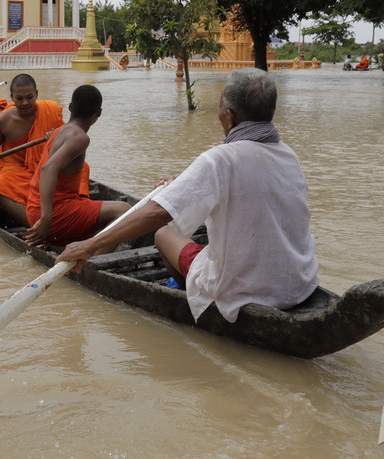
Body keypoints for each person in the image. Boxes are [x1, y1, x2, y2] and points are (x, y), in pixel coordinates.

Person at [57, 68, 320, 323]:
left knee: (162, 233)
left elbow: (158, 213)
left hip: (242, 289)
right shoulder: (288, 154)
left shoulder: (220, 159)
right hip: (299, 284)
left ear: (229, 116)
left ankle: (192, 294)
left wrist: (90, 245)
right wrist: (178, 184)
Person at [25, 85, 130, 248]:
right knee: (124, 210)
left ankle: (82, 246)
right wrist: (46, 218)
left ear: (70, 107)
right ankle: (93, 260)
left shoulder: (60, 130)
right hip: (49, 217)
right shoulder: (80, 137)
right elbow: (48, 169)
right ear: (99, 113)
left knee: (104, 220)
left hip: (36, 210)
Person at [0, 73, 66, 227]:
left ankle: (74, 212)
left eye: (30, 97)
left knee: (82, 168)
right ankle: (35, 226)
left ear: (36, 93)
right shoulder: (3, 120)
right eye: (19, 98)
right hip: (15, 171)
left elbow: (69, 139)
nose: (25, 103)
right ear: (11, 96)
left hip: (45, 168)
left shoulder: (49, 111)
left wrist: (55, 137)